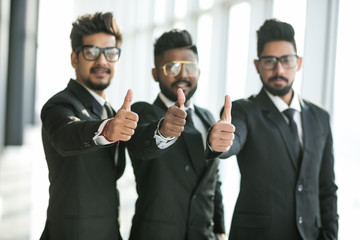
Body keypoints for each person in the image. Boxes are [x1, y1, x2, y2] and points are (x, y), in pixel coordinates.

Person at [208, 19, 338, 239]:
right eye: (269, 61)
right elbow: (233, 137)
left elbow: (327, 187)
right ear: (257, 65)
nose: (279, 69)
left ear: (298, 62)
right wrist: (219, 143)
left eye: (286, 60)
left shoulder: (320, 117)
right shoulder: (243, 111)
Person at [40, 12, 138, 240]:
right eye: (92, 52)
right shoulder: (59, 105)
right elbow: (67, 135)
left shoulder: (112, 111)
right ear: (75, 59)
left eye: (110, 53)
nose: (102, 61)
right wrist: (107, 130)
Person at [126, 29, 226, 240]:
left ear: (199, 71)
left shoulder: (208, 118)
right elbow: (142, 144)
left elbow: (213, 183)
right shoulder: (143, 112)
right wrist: (163, 131)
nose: (182, 75)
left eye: (189, 67)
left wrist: (220, 230)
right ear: (155, 74)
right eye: (171, 67)